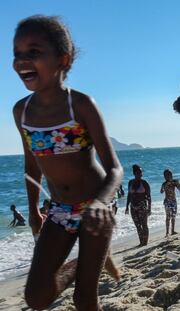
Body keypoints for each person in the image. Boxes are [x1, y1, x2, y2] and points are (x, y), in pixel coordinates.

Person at [12, 16, 123, 310]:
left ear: (63, 59)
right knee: (36, 298)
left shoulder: (82, 105)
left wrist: (101, 203)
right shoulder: (21, 111)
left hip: (95, 208)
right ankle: (80, 266)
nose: (22, 60)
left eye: (33, 52)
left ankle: (90, 267)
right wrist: (34, 210)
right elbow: (32, 166)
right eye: (17, 53)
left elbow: (115, 168)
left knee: (84, 298)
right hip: (58, 210)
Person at [125, 165, 151, 246]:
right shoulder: (130, 182)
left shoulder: (144, 183)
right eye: (138, 172)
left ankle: (145, 243)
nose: (140, 174)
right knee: (137, 225)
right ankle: (141, 242)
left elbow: (149, 197)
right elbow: (129, 195)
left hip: (142, 206)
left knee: (144, 225)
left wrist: (149, 208)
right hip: (133, 207)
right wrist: (126, 207)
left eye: (141, 172)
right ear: (134, 173)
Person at [161, 169, 180, 236]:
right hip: (167, 201)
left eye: (170, 175)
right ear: (164, 177)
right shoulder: (164, 184)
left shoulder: (174, 182)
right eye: (167, 175)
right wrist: (165, 186)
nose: (169, 176)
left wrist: (177, 183)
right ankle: (167, 232)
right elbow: (161, 191)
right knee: (168, 217)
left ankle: (172, 231)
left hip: (173, 201)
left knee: (173, 216)